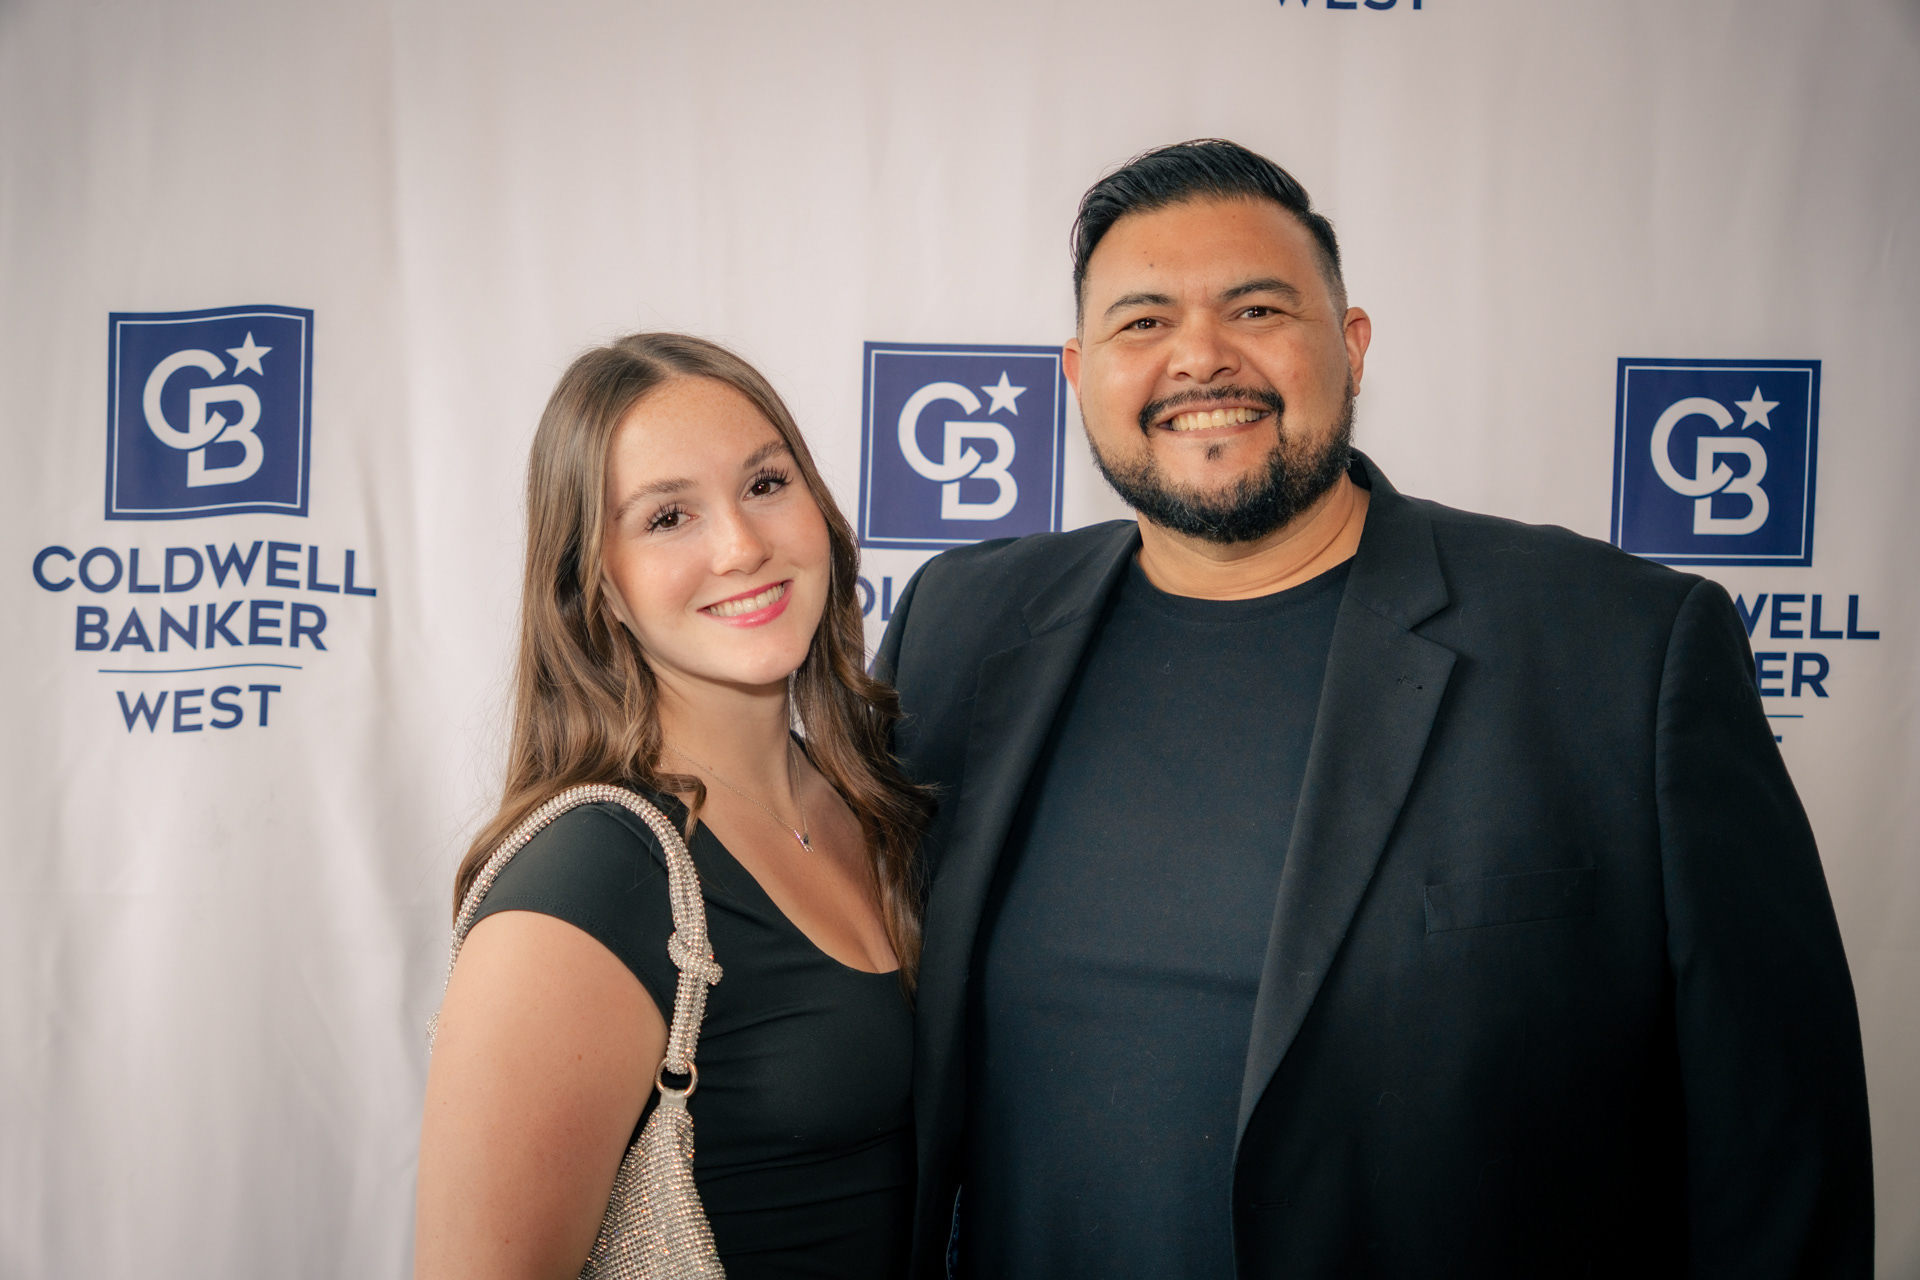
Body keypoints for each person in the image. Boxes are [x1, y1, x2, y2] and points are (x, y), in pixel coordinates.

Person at [876, 140, 1873, 1278]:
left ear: (1350, 346)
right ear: (1076, 372)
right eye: (1142, 322)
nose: (1199, 356)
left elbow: (1777, 1141)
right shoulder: (958, 626)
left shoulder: (1624, 648)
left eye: (1256, 309)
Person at [416, 333, 931, 1279]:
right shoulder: (587, 881)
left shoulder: (875, 802)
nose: (741, 546)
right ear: (596, 585)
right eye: (667, 518)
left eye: (766, 484)